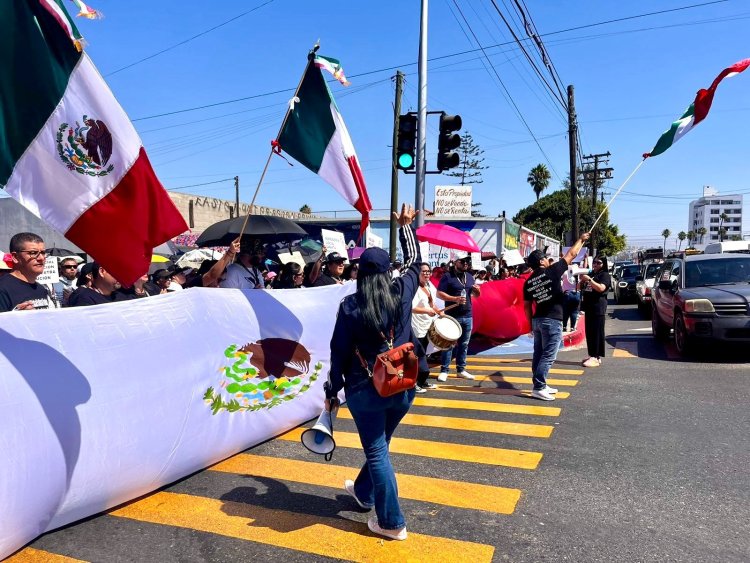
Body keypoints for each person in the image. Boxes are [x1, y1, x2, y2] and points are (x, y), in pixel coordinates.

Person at [326, 203, 420, 541]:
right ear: (387, 272)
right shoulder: (402, 294)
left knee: (378, 451)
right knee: (381, 444)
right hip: (402, 384)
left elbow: (338, 353)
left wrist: (331, 390)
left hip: (365, 389)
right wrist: (406, 226)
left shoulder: (350, 307)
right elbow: (414, 264)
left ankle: (392, 522)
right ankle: (364, 492)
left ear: (359, 273)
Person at [523, 232, 590, 401]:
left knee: (538, 354)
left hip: (537, 320)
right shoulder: (551, 272)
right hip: (552, 320)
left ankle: (541, 385)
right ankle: (538, 387)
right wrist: (581, 239)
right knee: (549, 355)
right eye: (546, 258)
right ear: (541, 262)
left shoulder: (528, 282)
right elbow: (572, 254)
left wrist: (531, 324)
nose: (548, 260)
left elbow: (526, 306)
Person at [436, 256, 480, 382]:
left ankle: (461, 369)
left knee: (464, 344)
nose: (466, 264)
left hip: (467, 315)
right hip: (452, 316)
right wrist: (454, 299)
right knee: (448, 344)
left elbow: (475, 295)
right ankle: (444, 370)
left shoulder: (470, 276)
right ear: (456, 262)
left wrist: (477, 292)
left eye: (468, 262)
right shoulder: (447, 276)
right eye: (463, 261)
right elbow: (439, 293)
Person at [0, 232, 57, 312]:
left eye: (43, 253)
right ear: (15, 257)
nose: (41, 258)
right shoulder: (3, 288)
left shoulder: (41, 289)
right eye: (33, 253)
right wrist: (15, 316)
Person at [411, 263, 441, 393]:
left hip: (427, 326)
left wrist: (440, 312)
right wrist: (426, 311)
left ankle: (422, 381)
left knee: (424, 356)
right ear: (418, 273)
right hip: (417, 328)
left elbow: (432, 304)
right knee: (417, 357)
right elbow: (412, 308)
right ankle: (414, 383)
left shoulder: (428, 286)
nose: (427, 274)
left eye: (429, 271)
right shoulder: (414, 288)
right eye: (424, 271)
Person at [580, 255, 611, 367]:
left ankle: (596, 356)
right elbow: (580, 288)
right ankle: (592, 354)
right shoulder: (592, 274)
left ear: (603, 264)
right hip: (589, 307)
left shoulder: (605, 275)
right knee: (590, 332)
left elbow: (601, 288)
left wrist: (589, 279)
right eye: (594, 262)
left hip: (598, 307)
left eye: (599, 263)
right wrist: (582, 281)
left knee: (597, 332)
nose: (596, 265)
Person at [561, 267, 581, 332]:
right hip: (576, 294)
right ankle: (572, 327)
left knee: (565, 312)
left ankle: (564, 326)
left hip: (567, 294)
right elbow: (579, 286)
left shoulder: (565, 273)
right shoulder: (578, 276)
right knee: (574, 312)